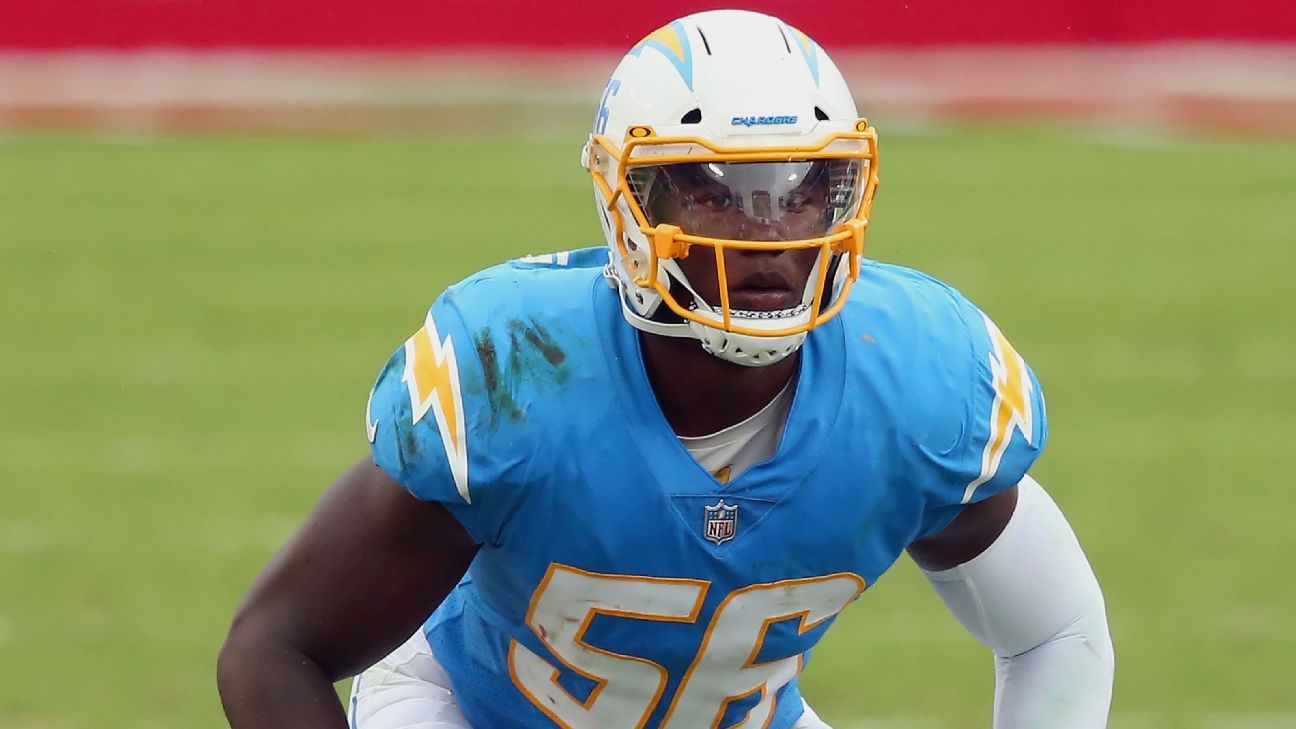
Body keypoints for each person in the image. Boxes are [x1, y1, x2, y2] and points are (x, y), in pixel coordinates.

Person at [216, 9, 1114, 729]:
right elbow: (273, 649)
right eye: (713, 189)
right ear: (628, 203)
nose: (767, 232)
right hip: (473, 706)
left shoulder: (919, 375)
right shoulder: (517, 371)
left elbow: (1057, 632)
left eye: (803, 188)